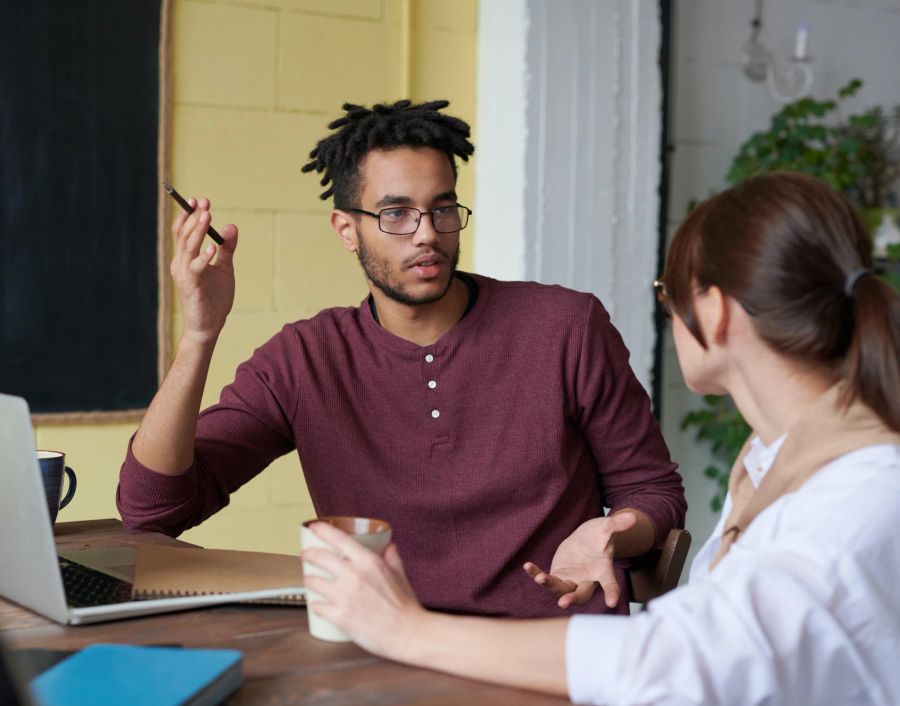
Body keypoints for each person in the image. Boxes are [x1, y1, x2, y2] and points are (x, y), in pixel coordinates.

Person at [301, 172, 900, 705]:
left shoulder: (855, 499)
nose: (424, 234)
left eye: (667, 294)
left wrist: (404, 628)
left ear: (714, 313)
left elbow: (678, 662)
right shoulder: (776, 459)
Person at [117, 100, 686, 618]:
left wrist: (611, 534)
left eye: (442, 210)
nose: (426, 235)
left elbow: (655, 492)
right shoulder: (305, 358)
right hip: (386, 651)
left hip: (547, 650)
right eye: (396, 214)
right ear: (347, 229)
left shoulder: (565, 326)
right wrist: (199, 335)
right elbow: (154, 510)